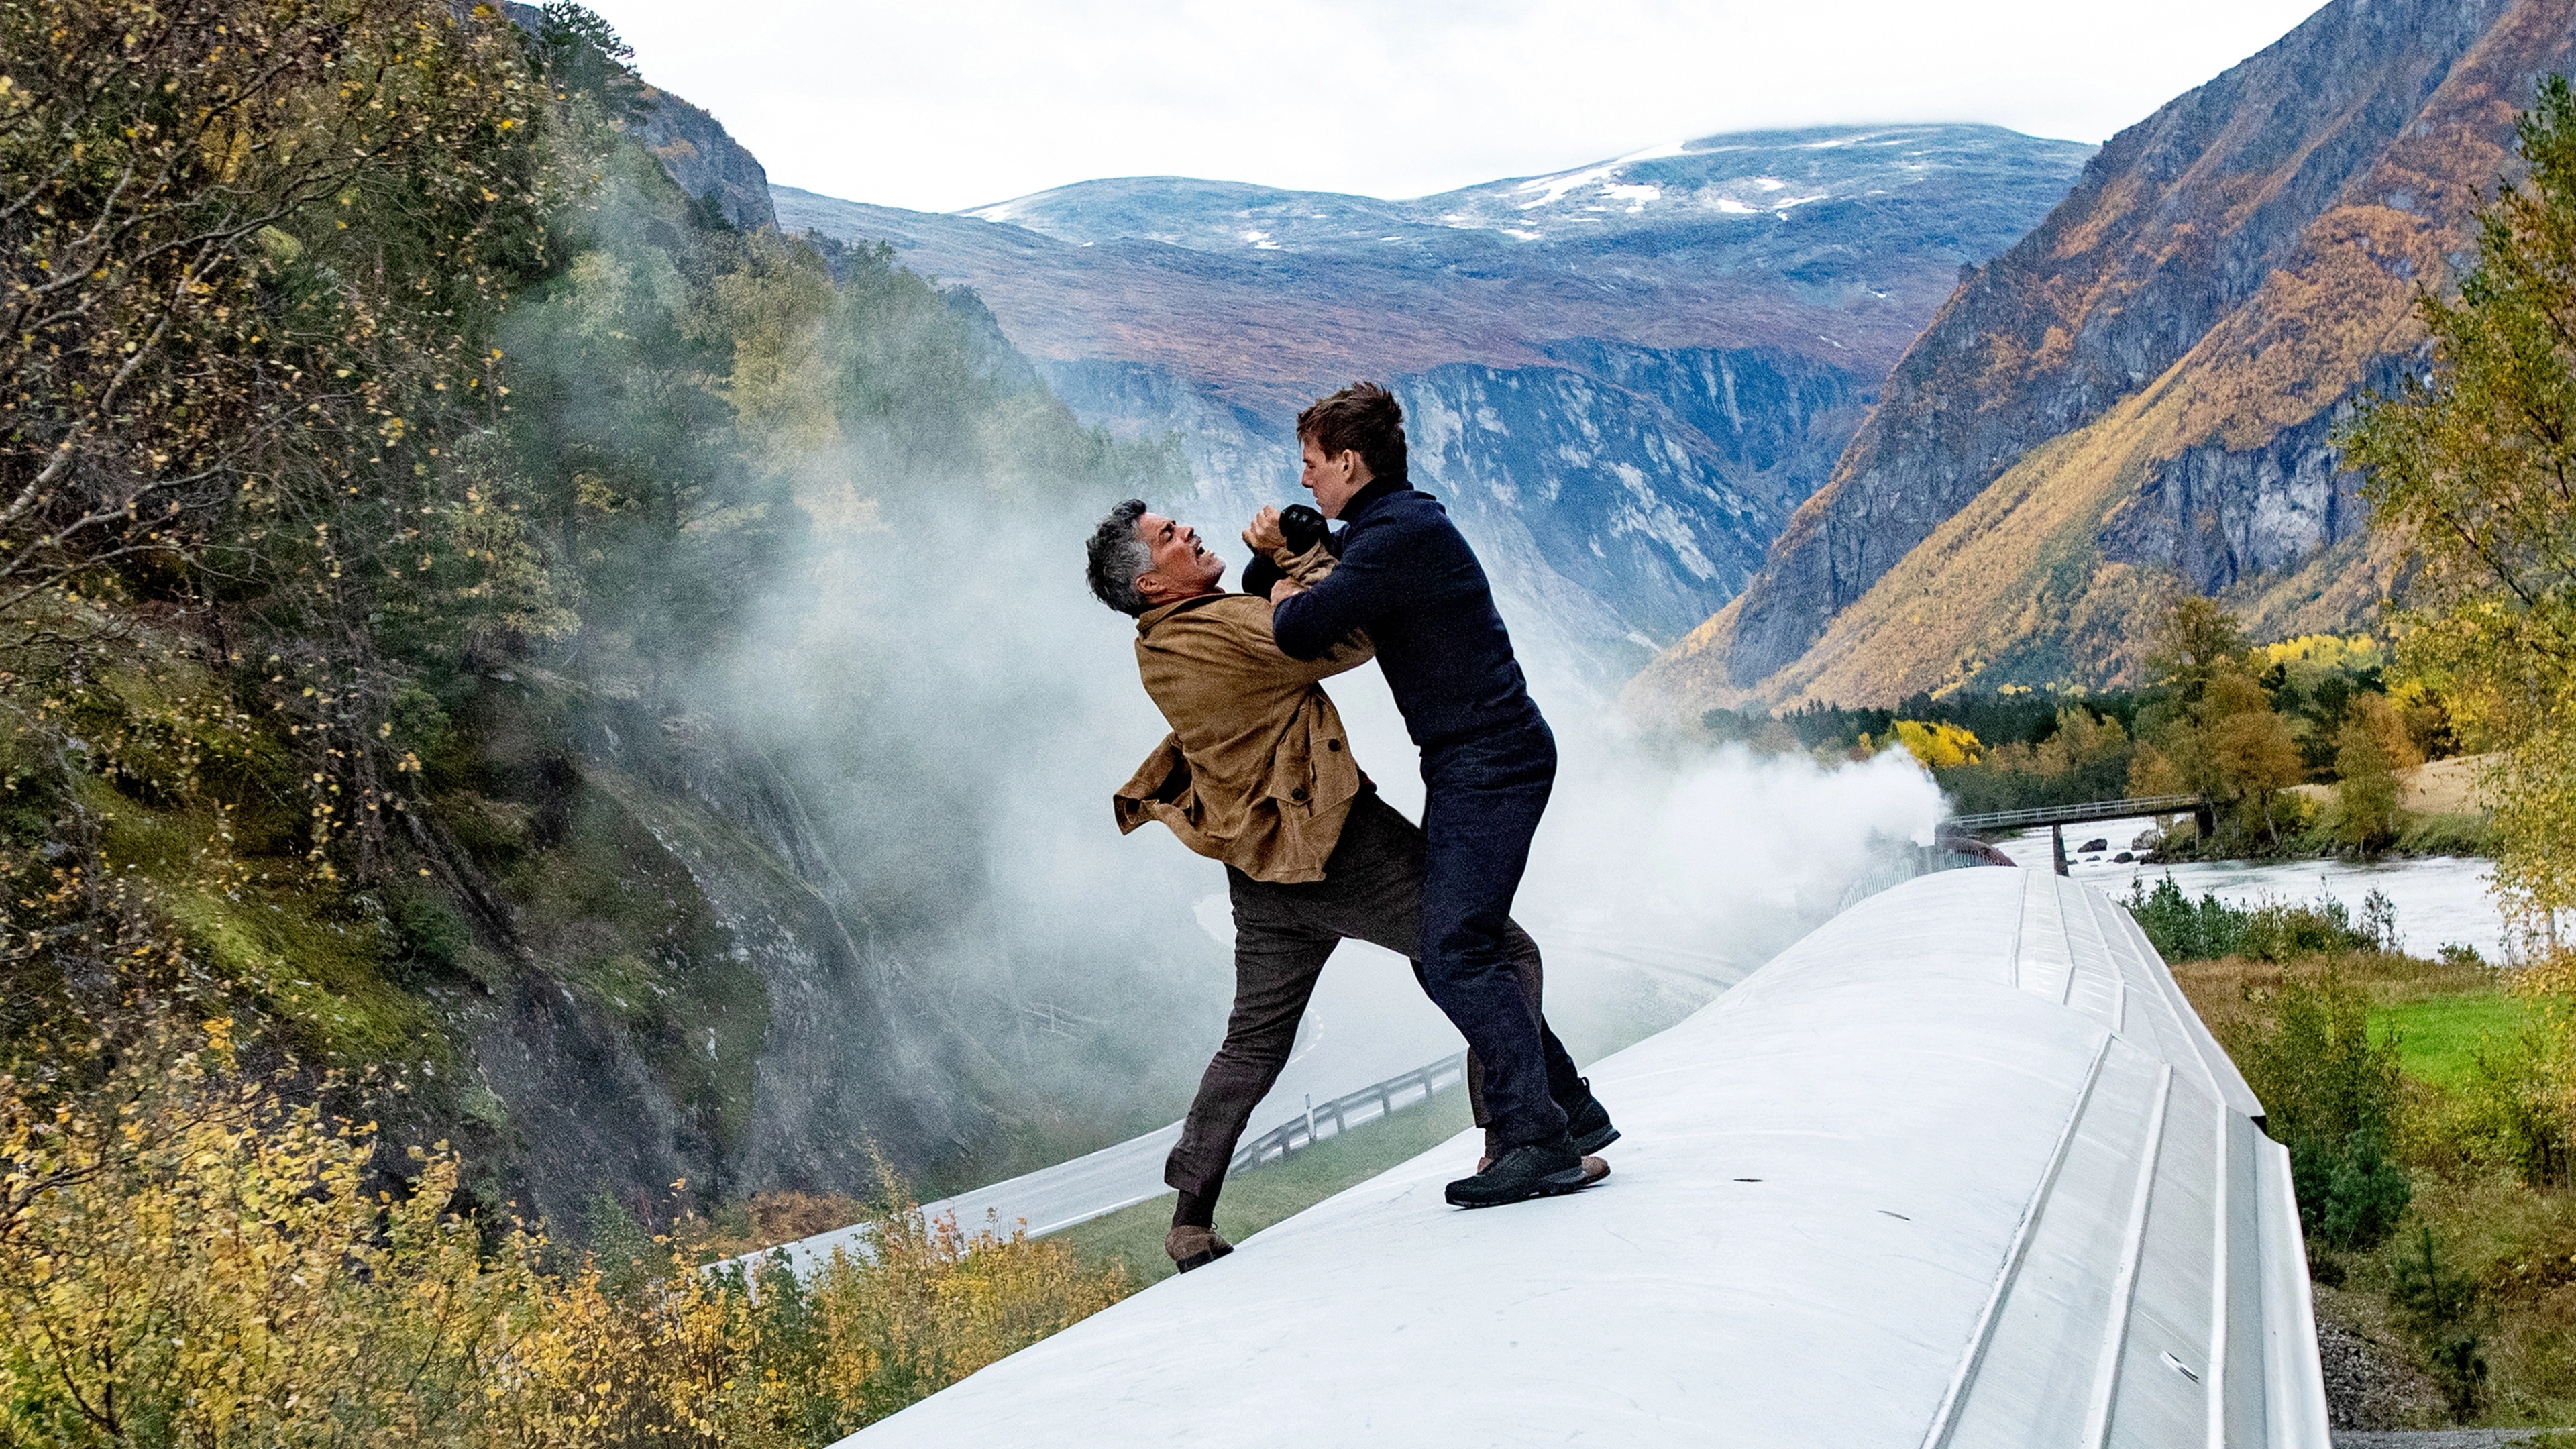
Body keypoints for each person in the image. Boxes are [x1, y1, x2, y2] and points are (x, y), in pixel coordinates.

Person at [1085, 500, 1615, 1271]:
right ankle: (1520, 1139)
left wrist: (1277, 578)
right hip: (1337, 848)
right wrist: (1299, 565)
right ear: (1151, 584)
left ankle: (1190, 1222)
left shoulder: (1159, 645)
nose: (1189, 531)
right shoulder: (1222, 627)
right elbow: (1348, 635)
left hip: (1260, 869)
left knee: (1253, 1042)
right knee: (1491, 951)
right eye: (1169, 536)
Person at [1263, 382, 1595, 1208]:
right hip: (1475, 759)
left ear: (1349, 461)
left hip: (1492, 762)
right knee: (1453, 946)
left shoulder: (1397, 537)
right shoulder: (1393, 527)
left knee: (1454, 952)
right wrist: (1300, 549)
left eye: (1312, 463)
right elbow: (1337, 567)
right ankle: (1574, 1117)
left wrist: (1280, 583)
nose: (1305, 478)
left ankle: (1538, 1141)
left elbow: (1300, 630)